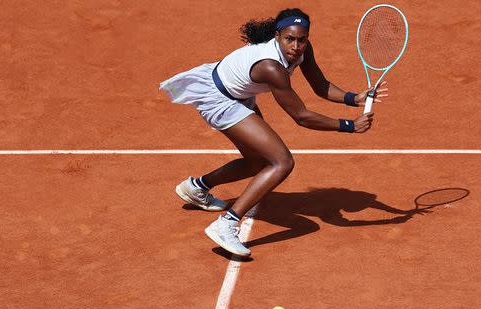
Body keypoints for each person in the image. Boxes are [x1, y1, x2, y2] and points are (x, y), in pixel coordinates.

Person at [160, 8, 387, 257]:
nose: (296, 46)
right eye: (290, 39)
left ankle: (197, 188)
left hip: (239, 94)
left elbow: (320, 86)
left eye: (302, 39)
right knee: (282, 161)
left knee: (258, 162)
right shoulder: (271, 67)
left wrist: (354, 98)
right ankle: (226, 224)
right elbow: (301, 116)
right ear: (278, 36)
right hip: (219, 99)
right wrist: (350, 126)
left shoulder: (302, 50)